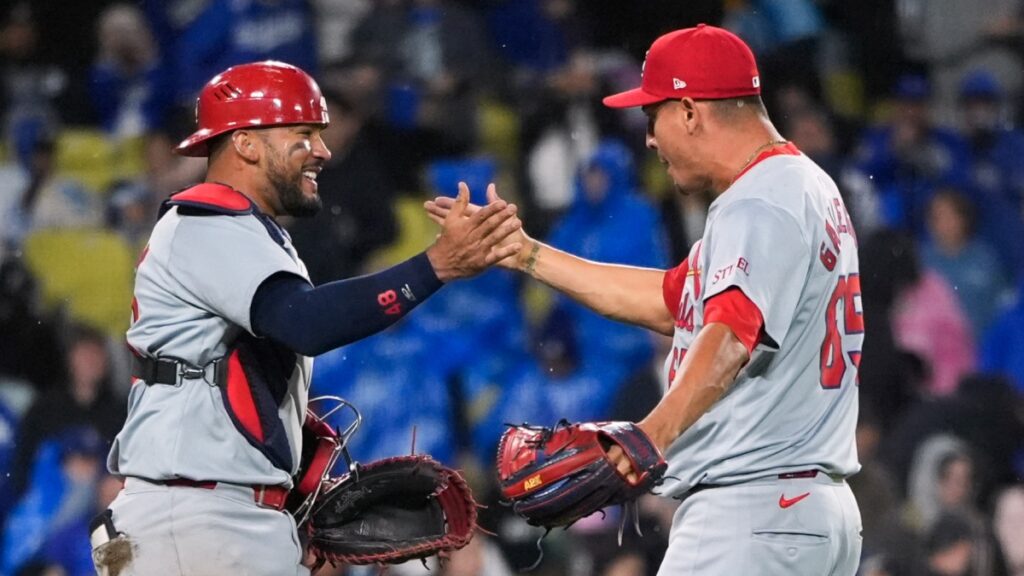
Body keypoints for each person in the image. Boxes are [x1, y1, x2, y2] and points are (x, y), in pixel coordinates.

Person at [428, 23, 863, 575]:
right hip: (807, 513)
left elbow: (729, 339)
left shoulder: (758, 202)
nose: (650, 138)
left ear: (688, 111)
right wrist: (526, 253)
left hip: (751, 513)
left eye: (652, 115)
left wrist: (645, 440)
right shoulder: (804, 186)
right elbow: (671, 301)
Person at [97, 60, 522, 576]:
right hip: (196, 518)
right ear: (247, 143)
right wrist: (434, 267)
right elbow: (308, 322)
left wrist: (299, 473)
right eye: (303, 134)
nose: (322, 150)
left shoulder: (251, 235)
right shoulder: (205, 224)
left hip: (219, 516)